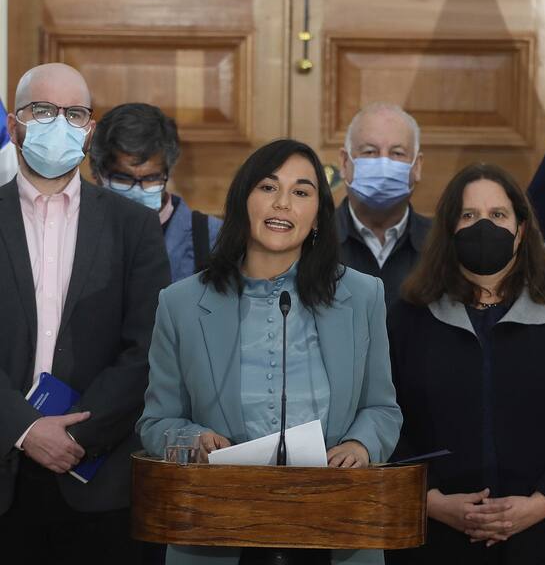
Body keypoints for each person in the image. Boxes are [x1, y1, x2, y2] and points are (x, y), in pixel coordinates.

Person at [137, 138, 402, 565]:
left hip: (336, 529)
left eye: (301, 192)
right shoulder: (181, 304)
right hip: (217, 533)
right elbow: (156, 422)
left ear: (317, 216)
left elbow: (382, 409)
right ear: (244, 202)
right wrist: (193, 441)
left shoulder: (362, 296)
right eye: (268, 187)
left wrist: (360, 444)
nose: (283, 204)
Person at [386, 163, 545, 564]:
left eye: (498, 215)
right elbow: (386, 419)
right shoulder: (410, 316)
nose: (483, 226)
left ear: (521, 229)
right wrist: (432, 501)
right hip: (433, 535)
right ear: (449, 228)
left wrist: (542, 504)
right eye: (469, 215)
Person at [0, 63, 170, 563]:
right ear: (15, 125)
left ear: (90, 131)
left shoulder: (133, 226)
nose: (59, 123)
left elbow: (148, 348)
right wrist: (25, 428)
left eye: (74, 113)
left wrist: (74, 435)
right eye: (44, 110)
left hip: (98, 477)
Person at [90, 102, 222, 282]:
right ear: (96, 173)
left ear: (168, 173)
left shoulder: (211, 239)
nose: (137, 190)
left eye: (151, 179)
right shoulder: (73, 232)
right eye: (123, 179)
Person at [336, 102, 431, 307]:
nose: (384, 164)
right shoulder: (312, 240)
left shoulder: (441, 244)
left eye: (397, 153)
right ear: (345, 163)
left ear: (417, 167)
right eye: (370, 152)